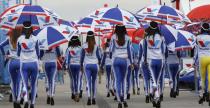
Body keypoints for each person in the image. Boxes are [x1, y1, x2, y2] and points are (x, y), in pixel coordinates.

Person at [143, 21, 167, 108]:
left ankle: (156, 96)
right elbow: (164, 50)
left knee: (153, 82)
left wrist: (145, 60)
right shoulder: (161, 37)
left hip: (150, 61)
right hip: (160, 60)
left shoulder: (146, 37)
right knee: (157, 81)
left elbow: (145, 50)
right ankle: (155, 99)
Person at [17, 21, 40, 108]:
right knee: (34, 85)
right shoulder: (35, 38)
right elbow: (38, 53)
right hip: (34, 64)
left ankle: (26, 99)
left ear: (23, 28)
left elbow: (18, 53)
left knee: (24, 83)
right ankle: (32, 104)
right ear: (32, 28)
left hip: (24, 64)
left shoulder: (20, 39)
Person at [110, 24, 133, 108]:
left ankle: (119, 101)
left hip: (116, 60)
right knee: (124, 80)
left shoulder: (113, 37)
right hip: (124, 60)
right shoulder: (128, 38)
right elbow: (130, 51)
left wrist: (110, 55)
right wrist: (131, 62)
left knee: (117, 80)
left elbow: (111, 50)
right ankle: (125, 99)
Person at [0, 28, 22, 108]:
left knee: (13, 82)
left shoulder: (9, 38)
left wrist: (4, 55)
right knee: (19, 82)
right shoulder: (22, 39)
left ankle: (13, 99)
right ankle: (18, 100)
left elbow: (1, 46)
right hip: (20, 62)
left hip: (11, 62)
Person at [81, 31, 101, 105]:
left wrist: (80, 65)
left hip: (87, 65)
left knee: (88, 82)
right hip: (95, 65)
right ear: (93, 37)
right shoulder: (96, 46)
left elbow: (82, 57)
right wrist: (100, 65)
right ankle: (94, 98)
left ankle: (89, 98)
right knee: (94, 82)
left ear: (87, 36)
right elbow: (99, 57)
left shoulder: (84, 46)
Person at [194, 23, 210, 105]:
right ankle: (209, 93)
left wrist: (194, 61)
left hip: (201, 59)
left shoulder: (198, 37)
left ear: (202, 29)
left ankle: (201, 95)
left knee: (202, 78)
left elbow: (196, 51)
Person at [65, 36, 82, 102]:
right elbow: (82, 57)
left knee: (72, 80)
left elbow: (67, 59)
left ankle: (73, 92)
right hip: (78, 65)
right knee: (78, 80)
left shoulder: (69, 49)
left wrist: (66, 66)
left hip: (71, 65)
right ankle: (77, 93)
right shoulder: (80, 48)